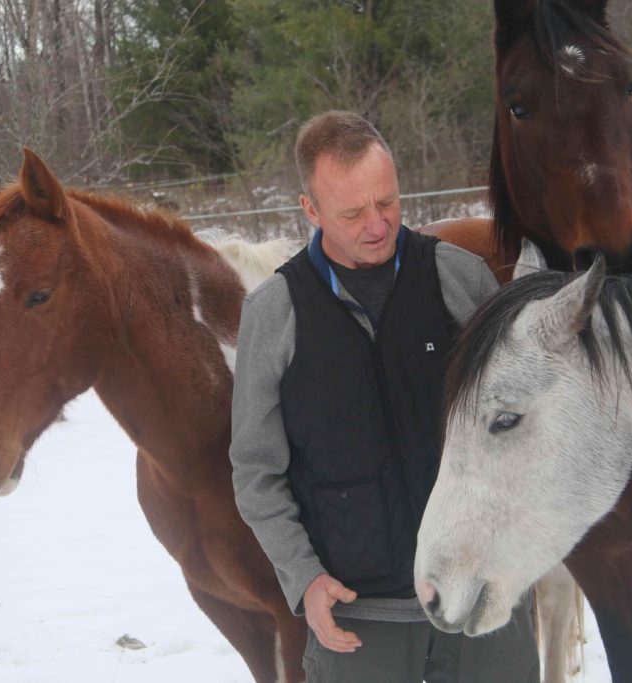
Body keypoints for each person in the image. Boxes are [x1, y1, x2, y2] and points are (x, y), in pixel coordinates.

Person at [230, 110, 539, 683]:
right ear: (311, 211)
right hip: (358, 618)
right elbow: (255, 470)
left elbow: (524, 426)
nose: (377, 225)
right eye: (352, 213)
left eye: (388, 202)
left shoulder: (459, 278)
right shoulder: (275, 312)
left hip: (481, 598)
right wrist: (304, 578)